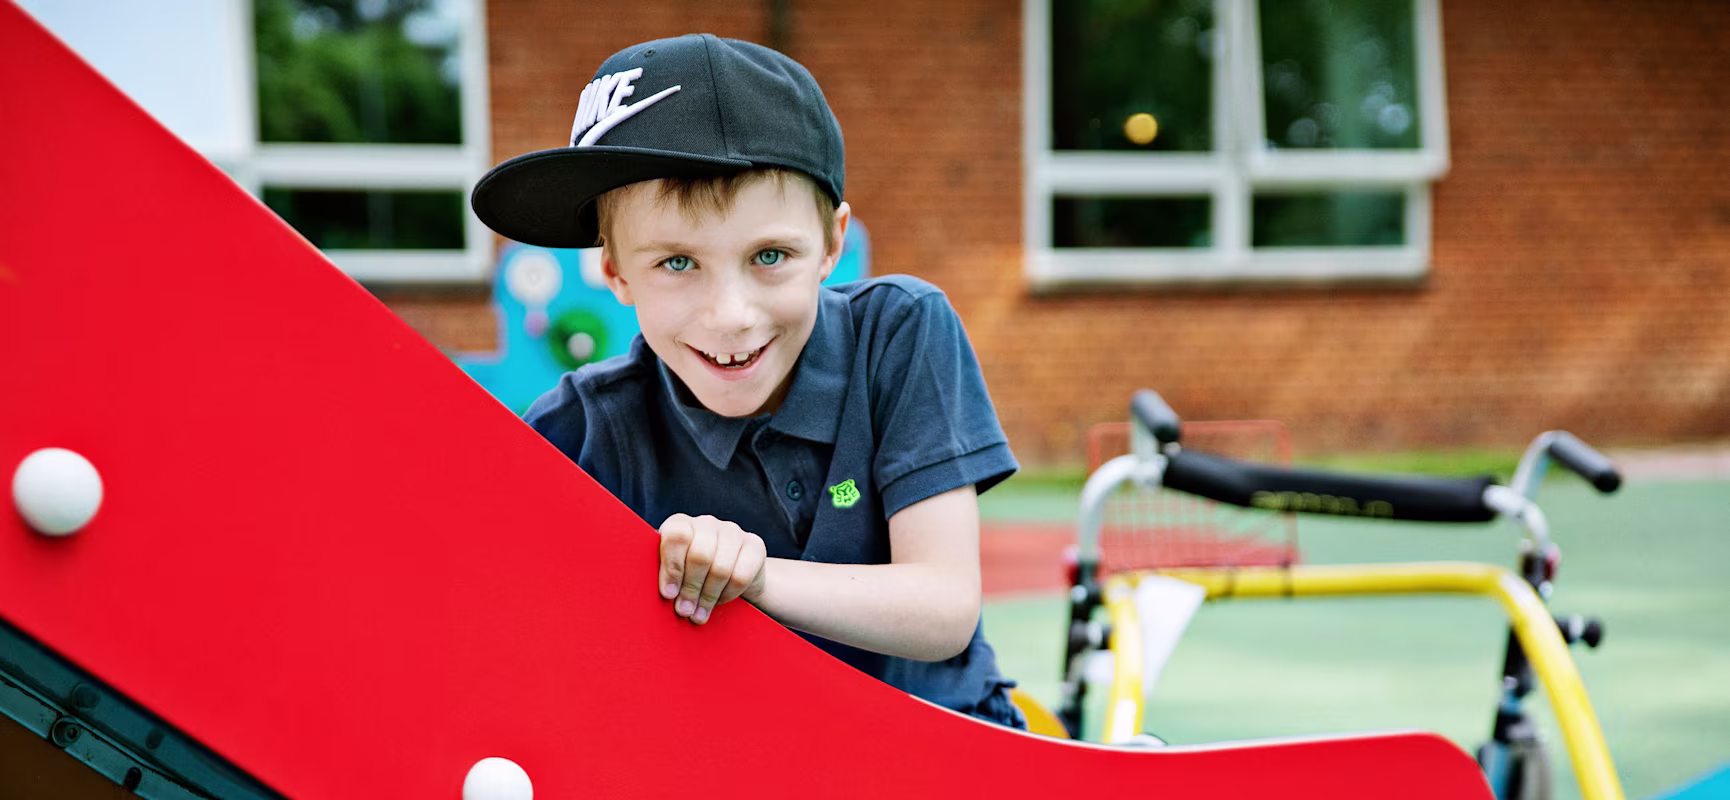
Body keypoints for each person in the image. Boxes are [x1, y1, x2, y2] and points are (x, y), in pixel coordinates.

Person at [470, 33, 1025, 728]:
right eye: (677, 263)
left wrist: (754, 578)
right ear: (614, 273)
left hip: (942, 744)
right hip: (738, 758)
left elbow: (943, 606)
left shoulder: (900, 332)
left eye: (770, 255)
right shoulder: (587, 426)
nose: (730, 317)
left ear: (831, 245)